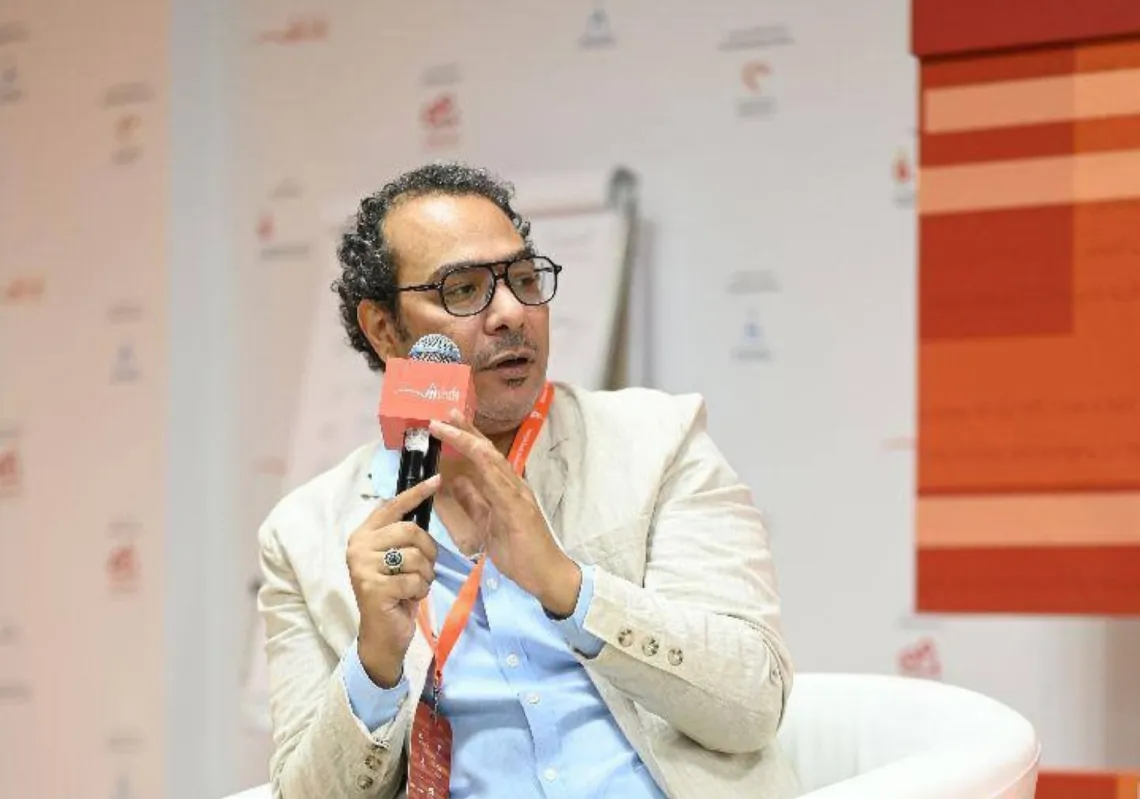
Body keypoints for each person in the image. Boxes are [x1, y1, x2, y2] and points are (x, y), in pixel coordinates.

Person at [256, 162, 799, 798]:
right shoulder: (305, 536)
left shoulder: (657, 444)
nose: (512, 313)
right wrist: (374, 663)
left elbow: (753, 702)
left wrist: (568, 588)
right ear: (383, 329)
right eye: (463, 290)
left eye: (523, 279)